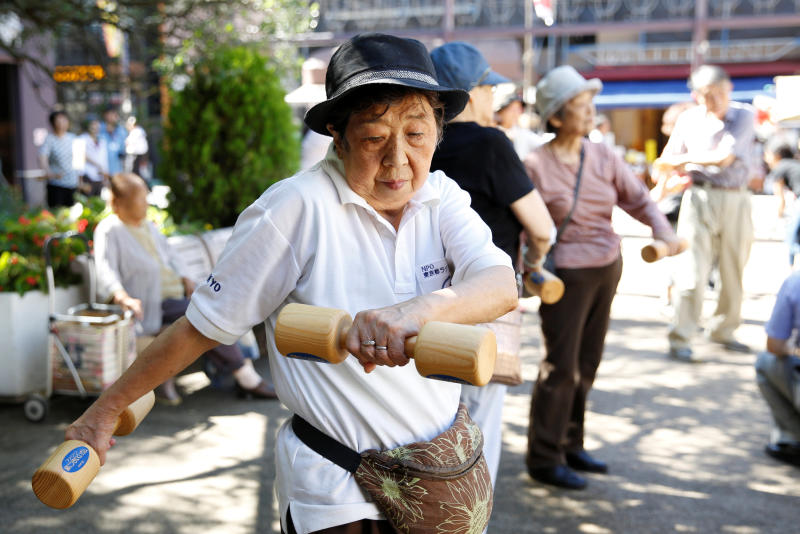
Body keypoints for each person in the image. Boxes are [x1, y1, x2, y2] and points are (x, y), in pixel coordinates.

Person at [65, 33, 517, 533]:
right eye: (373, 138)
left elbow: (499, 284)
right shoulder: (293, 209)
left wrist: (414, 312)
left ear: (437, 131)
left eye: (416, 135)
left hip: (435, 478)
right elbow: (202, 327)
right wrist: (104, 412)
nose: (397, 160)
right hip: (341, 493)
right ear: (337, 136)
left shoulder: (441, 195)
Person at [523, 65, 680, 490]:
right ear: (556, 116)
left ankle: (571, 444)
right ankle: (544, 456)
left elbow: (640, 199)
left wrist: (663, 231)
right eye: (580, 104)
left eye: (591, 103)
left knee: (587, 362)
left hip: (607, 265)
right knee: (560, 366)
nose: (591, 111)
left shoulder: (604, 155)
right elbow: (522, 225)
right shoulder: (535, 164)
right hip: (565, 275)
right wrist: (529, 269)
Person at [429, 41, 554, 486]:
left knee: (430, 418)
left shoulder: (420, 142)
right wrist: (536, 263)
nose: (494, 99)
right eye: (489, 88)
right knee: (479, 421)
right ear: (473, 91)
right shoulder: (491, 144)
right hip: (483, 302)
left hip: (421, 302)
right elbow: (541, 227)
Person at [93, 172, 277, 404]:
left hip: (176, 298)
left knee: (222, 306)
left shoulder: (148, 226)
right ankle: (246, 377)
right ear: (118, 203)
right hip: (152, 306)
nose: (146, 203)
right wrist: (122, 297)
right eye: (140, 199)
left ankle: (243, 371)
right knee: (206, 314)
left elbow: (172, 257)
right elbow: (104, 270)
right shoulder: (110, 230)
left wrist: (186, 277)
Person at [654, 65, 756, 362]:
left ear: (730, 89)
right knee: (691, 270)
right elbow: (666, 162)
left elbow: (723, 158)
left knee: (733, 267)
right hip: (698, 197)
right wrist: (659, 191)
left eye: (721, 93)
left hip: (737, 197)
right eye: (708, 96)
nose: (716, 101)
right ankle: (681, 335)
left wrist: (681, 161)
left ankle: (724, 329)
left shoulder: (744, 115)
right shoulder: (687, 119)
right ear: (696, 96)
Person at [755, 270, 800, 468]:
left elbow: (774, 346)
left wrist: (795, 350)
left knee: (765, 362)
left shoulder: (795, 282)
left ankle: (793, 438)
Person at [763, 136, 800, 265]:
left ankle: (792, 268)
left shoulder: (780, 167)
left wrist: (778, 215)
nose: (765, 159)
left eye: (767, 154)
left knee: (792, 236)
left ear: (777, 155)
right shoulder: (794, 163)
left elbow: (780, 197)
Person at [493, 83, 548, 161]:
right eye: (512, 110)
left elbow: (542, 144)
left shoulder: (521, 134)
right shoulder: (492, 133)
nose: (516, 114)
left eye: (519, 109)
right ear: (500, 111)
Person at [38, 110, 79, 208]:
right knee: (57, 214)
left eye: (64, 120)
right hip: (56, 183)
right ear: (53, 123)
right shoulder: (49, 139)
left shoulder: (73, 138)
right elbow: (42, 156)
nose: (62, 124)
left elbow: (80, 159)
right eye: (58, 121)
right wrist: (47, 171)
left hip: (72, 183)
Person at [80, 116, 110, 197]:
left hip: (100, 177)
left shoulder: (102, 140)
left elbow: (104, 159)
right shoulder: (81, 139)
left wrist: (106, 177)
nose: (95, 126)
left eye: (97, 124)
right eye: (93, 124)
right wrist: (80, 182)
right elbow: (79, 159)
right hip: (87, 176)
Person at [99, 106, 127, 177]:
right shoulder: (99, 129)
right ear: (105, 115)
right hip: (102, 170)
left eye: (115, 114)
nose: (113, 116)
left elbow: (123, 150)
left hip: (117, 169)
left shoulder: (121, 130)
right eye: (110, 114)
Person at [124, 116, 150, 182]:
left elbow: (128, 144)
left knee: (139, 173)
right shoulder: (139, 131)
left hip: (137, 156)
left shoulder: (137, 131)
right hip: (138, 156)